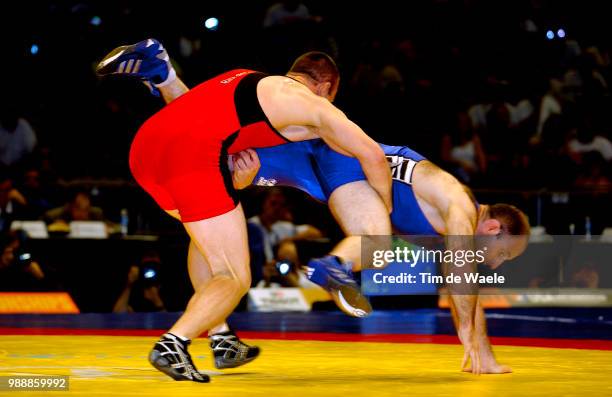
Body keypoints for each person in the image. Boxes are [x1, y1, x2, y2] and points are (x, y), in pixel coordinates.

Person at [96, 38, 392, 382]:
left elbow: (190, 118)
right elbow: (372, 155)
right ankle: (173, 343)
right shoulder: (315, 105)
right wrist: (385, 207)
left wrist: (169, 84)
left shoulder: (242, 79)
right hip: (191, 160)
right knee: (234, 277)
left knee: (206, 240)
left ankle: (221, 338)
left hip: (147, 149)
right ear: (325, 86)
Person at [235, 139, 530, 374]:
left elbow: (462, 285)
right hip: (351, 162)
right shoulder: (459, 203)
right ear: (492, 228)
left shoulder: (456, 225)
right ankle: (335, 265)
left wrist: (484, 354)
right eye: (502, 253)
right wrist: (466, 329)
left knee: (232, 164)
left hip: (336, 172)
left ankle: (336, 264)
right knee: (379, 247)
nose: (495, 263)